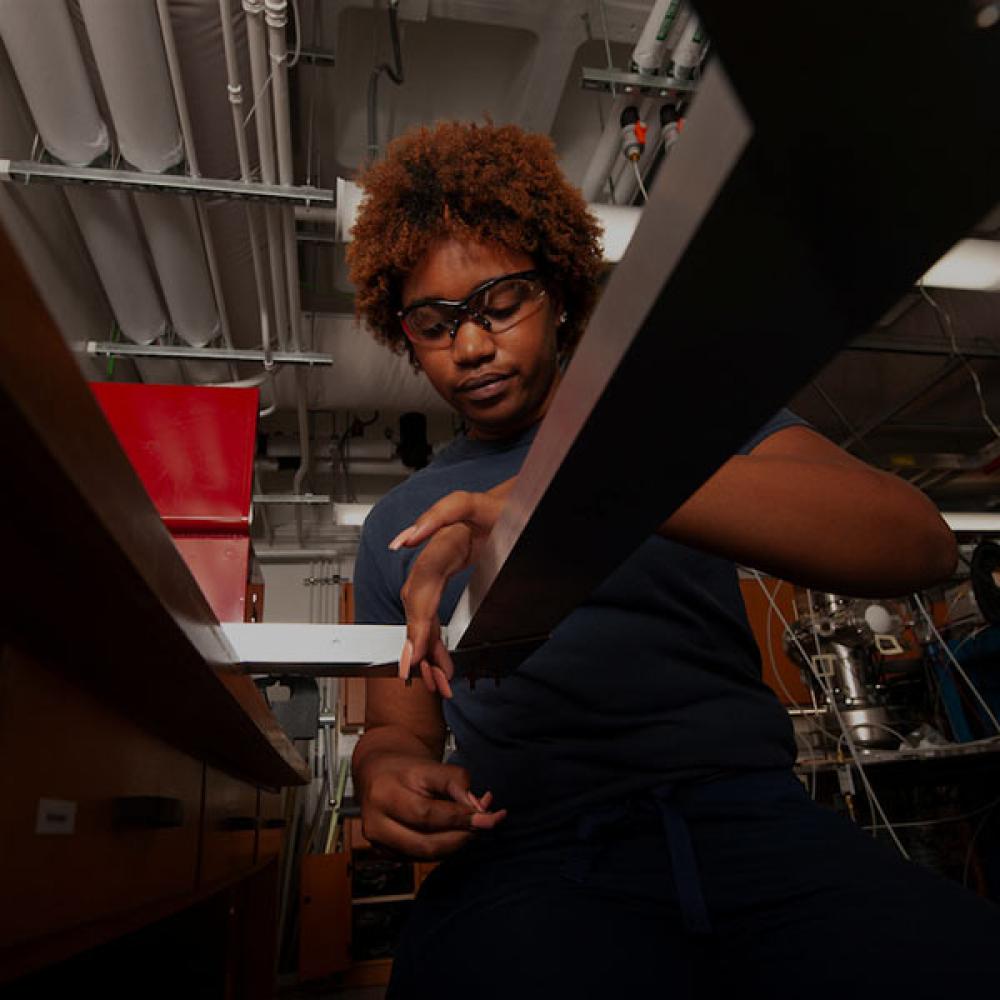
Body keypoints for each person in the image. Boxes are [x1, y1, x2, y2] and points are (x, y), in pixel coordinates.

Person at [347, 121, 999, 998]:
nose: (471, 346)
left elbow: (917, 541)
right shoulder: (398, 523)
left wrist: (593, 489)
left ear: (563, 291)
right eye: (436, 323)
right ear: (406, 335)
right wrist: (385, 774)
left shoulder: (675, 429)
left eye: (502, 302)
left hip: (750, 823)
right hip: (531, 854)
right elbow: (396, 729)